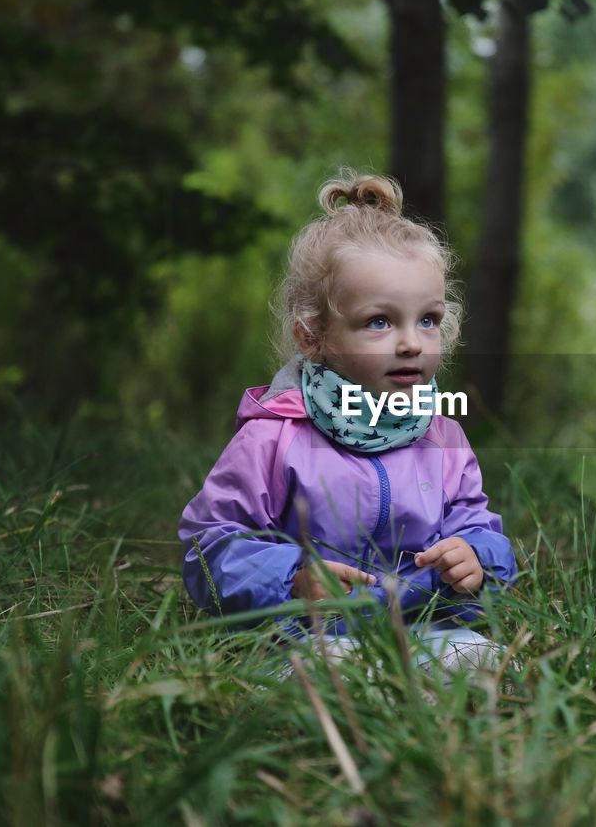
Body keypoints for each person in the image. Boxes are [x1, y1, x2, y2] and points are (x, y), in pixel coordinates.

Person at [178, 169, 517, 680]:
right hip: (305, 632)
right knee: (330, 672)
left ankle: (418, 707)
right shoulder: (276, 435)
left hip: (422, 623)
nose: (410, 342)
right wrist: (290, 576)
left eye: (427, 319)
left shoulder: (440, 435)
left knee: (486, 661)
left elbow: (474, 522)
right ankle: (375, 711)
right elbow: (209, 543)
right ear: (313, 337)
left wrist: (477, 555)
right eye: (379, 322)